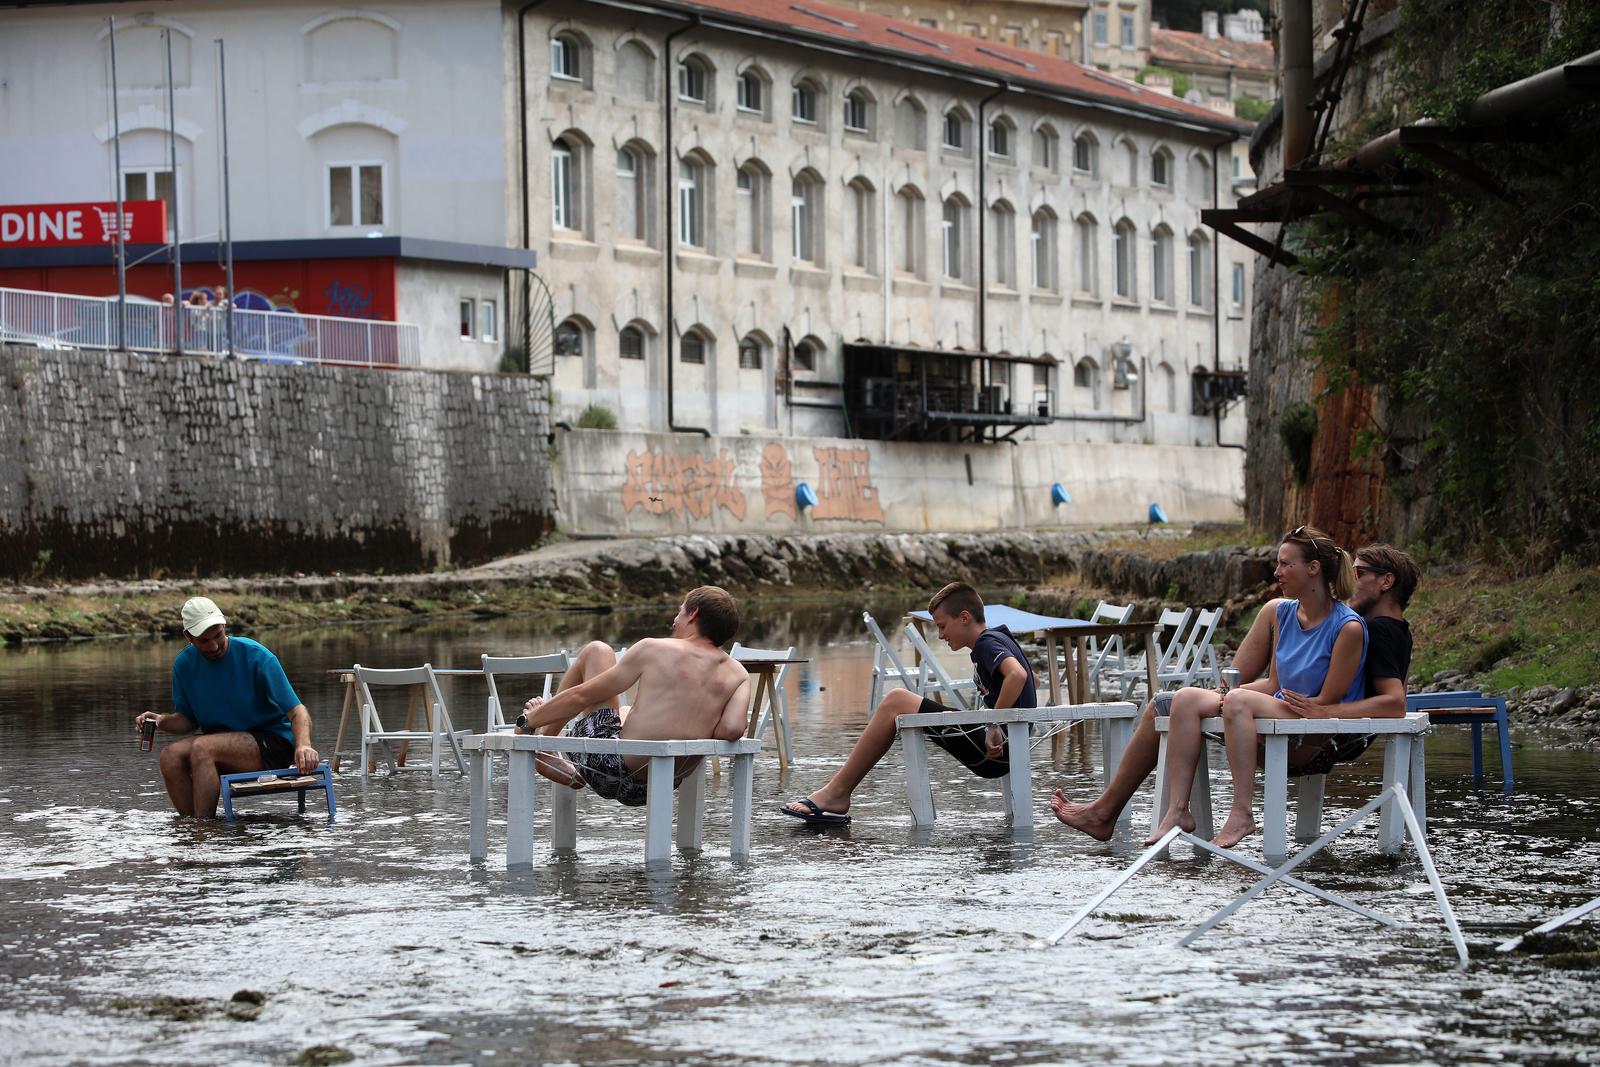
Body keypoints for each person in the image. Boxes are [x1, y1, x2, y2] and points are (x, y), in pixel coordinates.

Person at [1054, 535, 1417, 848]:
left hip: (1315, 735)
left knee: (1236, 699)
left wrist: (1239, 697)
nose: (1275, 573)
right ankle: (1176, 810)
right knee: (1183, 698)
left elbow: (1340, 702)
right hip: (1278, 710)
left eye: (1284, 564)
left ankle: (1241, 812)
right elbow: (1271, 682)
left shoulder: (1361, 627)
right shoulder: (1282, 612)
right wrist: (1221, 695)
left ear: (1314, 569)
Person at [781, 581, 1036, 825]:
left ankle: (837, 792)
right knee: (899, 702)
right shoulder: (999, 637)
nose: (941, 635)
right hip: (1009, 746)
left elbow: (1018, 675)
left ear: (965, 617)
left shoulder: (985, 643)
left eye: (943, 626)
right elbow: (1031, 677)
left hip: (996, 749)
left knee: (896, 700)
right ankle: (836, 791)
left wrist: (993, 724)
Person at [513, 586, 750, 807]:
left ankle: (544, 745)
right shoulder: (739, 673)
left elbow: (582, 696)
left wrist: (529, 720)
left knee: (598, 650)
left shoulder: (655, 649)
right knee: (625, 713)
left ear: (693, 614)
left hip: (609, 768)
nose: (674, 622)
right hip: (662, 784)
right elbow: (731, 730)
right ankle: (560, 755)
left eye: (679, 613)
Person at [134, 597, 319, 818]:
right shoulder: (184, 665)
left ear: (224, 627)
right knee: (170, 756)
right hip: (220, 742)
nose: (214, 646)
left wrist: (303, 746)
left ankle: (205, 831)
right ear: (188, 637)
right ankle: (191, 826)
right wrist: (161, 721)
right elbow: (188, 719)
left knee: (203, 748)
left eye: (218, 636)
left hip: (271, 741)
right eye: (204, 641)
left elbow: (297, 711)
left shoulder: (256, 655)